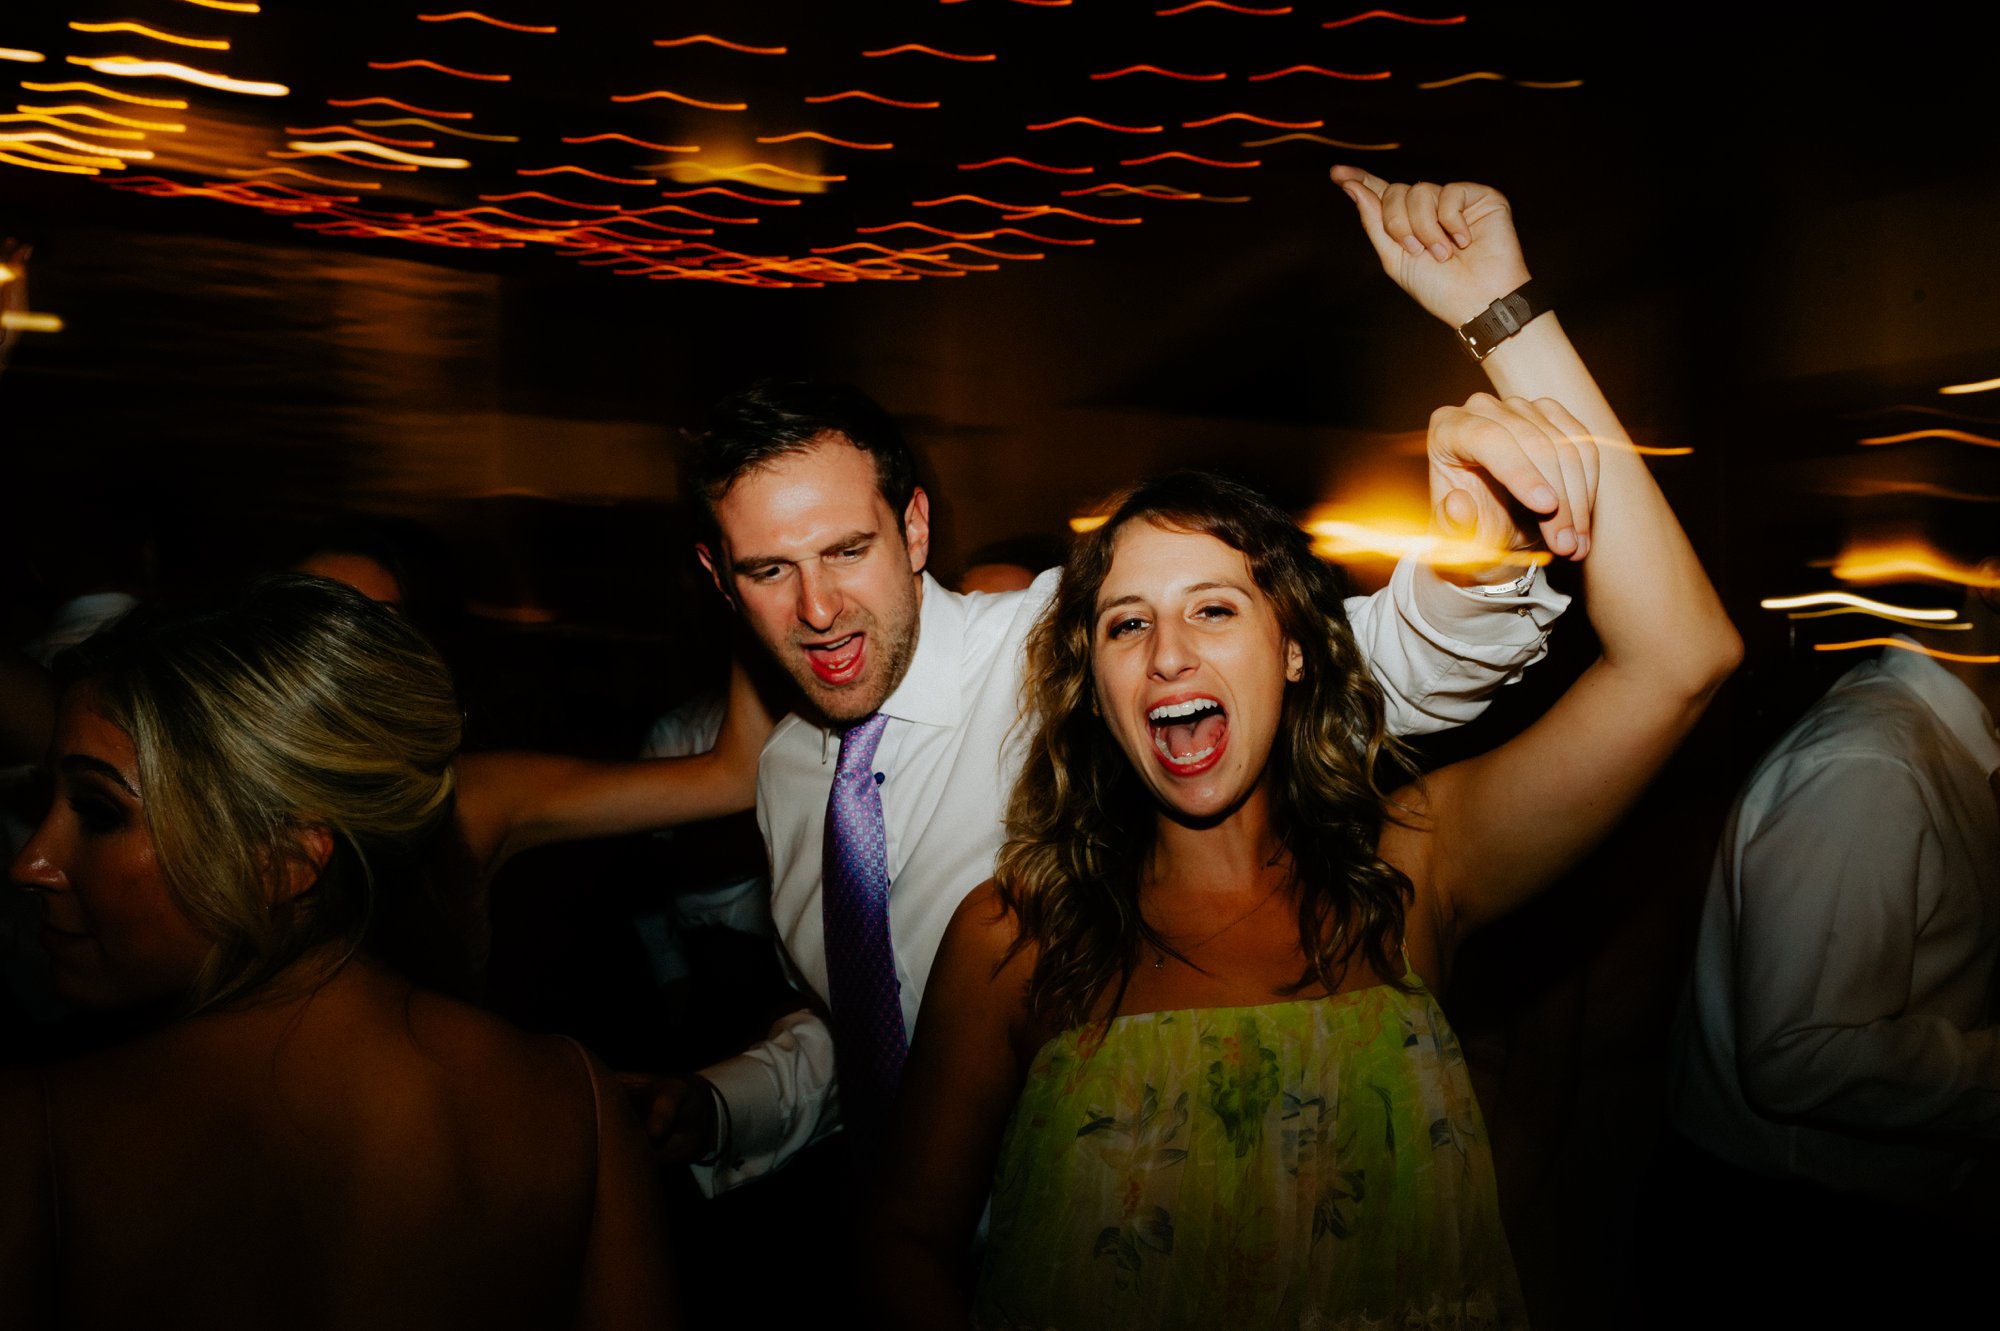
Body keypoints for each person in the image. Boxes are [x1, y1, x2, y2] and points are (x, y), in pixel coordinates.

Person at [867, 176, 1740, 1327]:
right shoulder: (1013, 936)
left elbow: (1682, 657)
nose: (1168, 651)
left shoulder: (1416, 866)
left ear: (1291, 651)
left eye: (1215, 609)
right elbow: (905, 1243)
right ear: (1096, 685)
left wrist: (1499, 313)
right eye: (1127, 622)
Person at [652, 233, 1605, 1187]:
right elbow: (869, 1024)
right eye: (770, 570)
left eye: (848, 551)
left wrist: (1476, 564)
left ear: (913, 529)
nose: (817, 609)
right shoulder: (785, 778)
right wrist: (727, 1103)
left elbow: (1379, 663)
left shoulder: (1075, 643)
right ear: (719, 580)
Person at [0, 577, 676, 1330]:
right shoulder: (573, 1104)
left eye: (97, 813)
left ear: (285, 859)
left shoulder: (42, 1131)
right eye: (41, 805)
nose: (31, 860)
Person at [1662, 565, 2000, 1313]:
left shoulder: (1931, 748)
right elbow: (1798, 1054)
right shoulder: (1870, 762)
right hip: (1799, 1241)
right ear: (1988, 579)